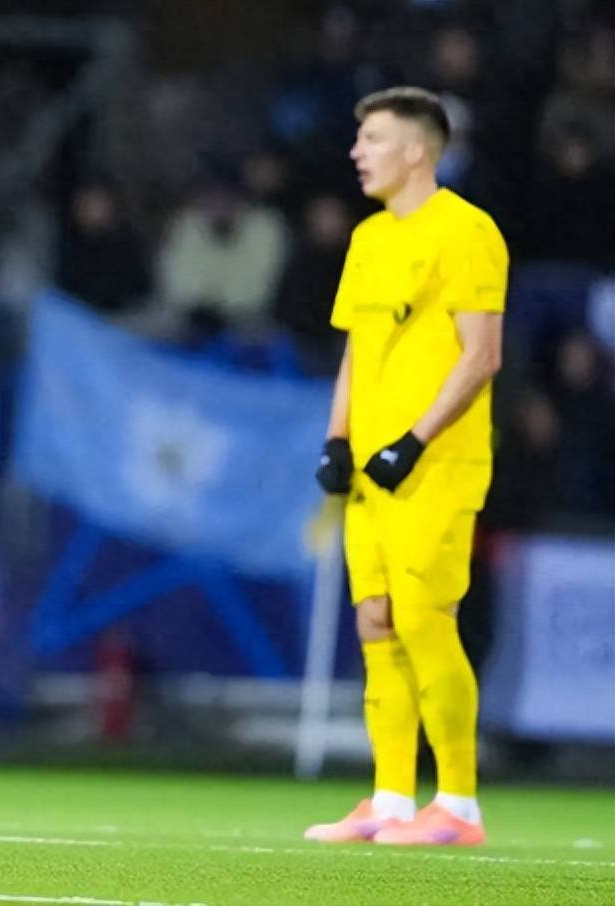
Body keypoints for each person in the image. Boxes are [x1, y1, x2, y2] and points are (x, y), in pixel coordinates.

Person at [306, 87, 506, 847]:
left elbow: (482, 355)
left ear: (417, 150)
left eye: (374, 139)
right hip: (371, 466)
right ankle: (390, 799)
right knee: (376, 622)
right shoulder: (368, 238)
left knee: (427, 620)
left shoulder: (467, 231)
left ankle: (458, 804)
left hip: (437, 462)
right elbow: (358, 350)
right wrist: (338, 440)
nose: (357, 152)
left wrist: (415, 441)